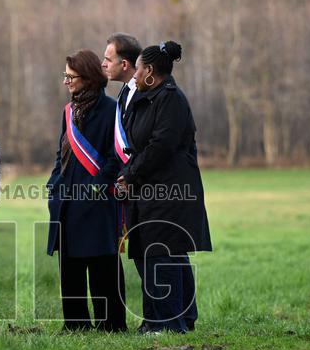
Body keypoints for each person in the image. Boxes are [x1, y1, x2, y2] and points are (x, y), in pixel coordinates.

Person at [117, 41, 212, 333]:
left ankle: (170, 324)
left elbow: (161, 146)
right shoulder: (148, 97)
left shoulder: (169, 99)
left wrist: (130, 173)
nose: (134, 76)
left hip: (169, 191)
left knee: (162, 253)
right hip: (149, 188)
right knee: (156, 252)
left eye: (139, 70)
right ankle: (168, 320)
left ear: (151, 72)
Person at [46, 49, 126, 332]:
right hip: (67, 200)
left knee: (103, 262)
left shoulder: (112, 109)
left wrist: (97, 186)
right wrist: (53, 187)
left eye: (71, 77)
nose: (66, 82)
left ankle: (112, 324)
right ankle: (76, 324)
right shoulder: (68, 112)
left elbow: (117, 155)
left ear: (89, 78)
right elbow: (61, 154)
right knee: (70, 266)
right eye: (65, 77)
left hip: (99, 199)